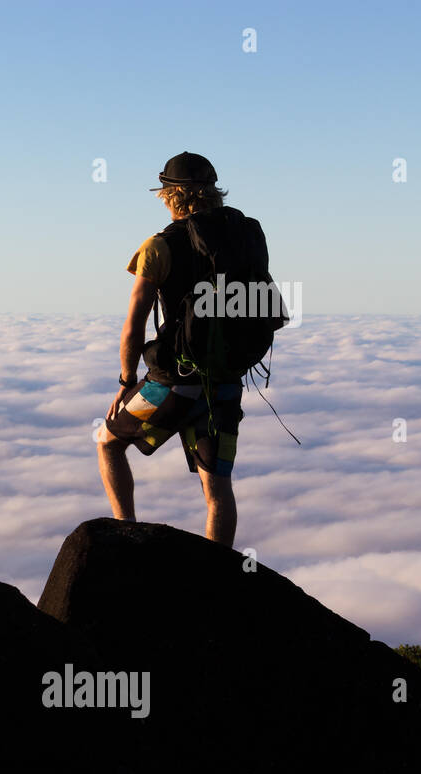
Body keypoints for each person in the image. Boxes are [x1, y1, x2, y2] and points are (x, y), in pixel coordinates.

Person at [97, 151, 275, 548]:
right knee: (218, 490)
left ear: (170, 194)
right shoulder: (245, 236)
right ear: (213, 191)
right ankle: (217, 575)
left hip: (172, 384)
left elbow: (134, 326)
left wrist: (127, 382)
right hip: (225, 382)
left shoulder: (159, 246)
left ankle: (125, 531)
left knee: (108, 443)